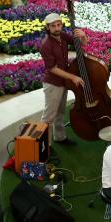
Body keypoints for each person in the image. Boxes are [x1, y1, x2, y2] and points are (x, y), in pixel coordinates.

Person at [39, 13, 87, 147]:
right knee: (48, 117)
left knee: (60, 112)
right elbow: (52, 68)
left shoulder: (63, 36)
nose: (56, 28)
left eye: (58, 25)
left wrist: (83, 36)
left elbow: (81, 44)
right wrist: (73, 77)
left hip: (63, 82)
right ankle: (44, 147)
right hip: (53, 83)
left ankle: (60, 137)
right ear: (47, 27)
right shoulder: (45, 45)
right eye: (53, 26)